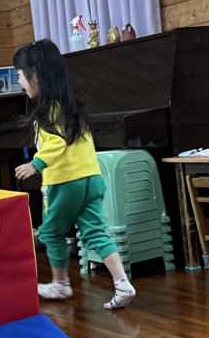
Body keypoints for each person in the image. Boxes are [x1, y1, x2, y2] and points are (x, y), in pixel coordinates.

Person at [12, 39, 136, 310]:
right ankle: (122, 283)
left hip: (65, 183)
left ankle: (60, 284)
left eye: (20, 75)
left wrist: (36, 164)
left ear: (35, 75)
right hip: (91, 178)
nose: (19, 81)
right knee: (95, 233)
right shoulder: (72, 104)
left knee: (50, 233)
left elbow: (56, 142)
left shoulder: (48, 111)